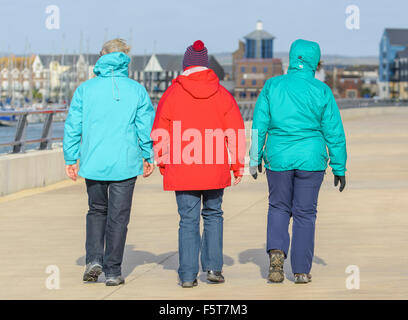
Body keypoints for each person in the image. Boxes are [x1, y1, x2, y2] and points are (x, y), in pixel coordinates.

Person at [249, 39, 347, 284]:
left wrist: (254, 156)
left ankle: (277, 255)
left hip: (278, 157)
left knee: (278, 207)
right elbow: (334, 131)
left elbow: (258, 124)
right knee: (305, 213)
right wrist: (339, 166)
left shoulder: (272, 86)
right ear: (315, 61)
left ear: (291, 59)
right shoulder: (322, 90)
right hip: (311, 159)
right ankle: (301, 270)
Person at [152, 40, 245, 288]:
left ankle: (187, 275)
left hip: (183, 167)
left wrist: (163, 162)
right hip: (214, 167)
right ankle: (214, 268)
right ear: (205, 66)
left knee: (188, 220)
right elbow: (235, 131)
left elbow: (160, 131)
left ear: (185, 65)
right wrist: (237, 164)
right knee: (214, 215)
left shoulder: (171, 95)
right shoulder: (223, 95)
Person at [63, 38, 155, 286]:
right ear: (126, 59)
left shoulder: (85, 89)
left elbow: (73, 126)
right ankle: (113, 271)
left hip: (93, 162)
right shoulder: (136, 90)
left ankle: (93, 259)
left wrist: (71, 157)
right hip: (124, 164)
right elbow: (145, 127)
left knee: (96, 211)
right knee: (118, 217)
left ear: (101, 57)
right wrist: (148, 155)